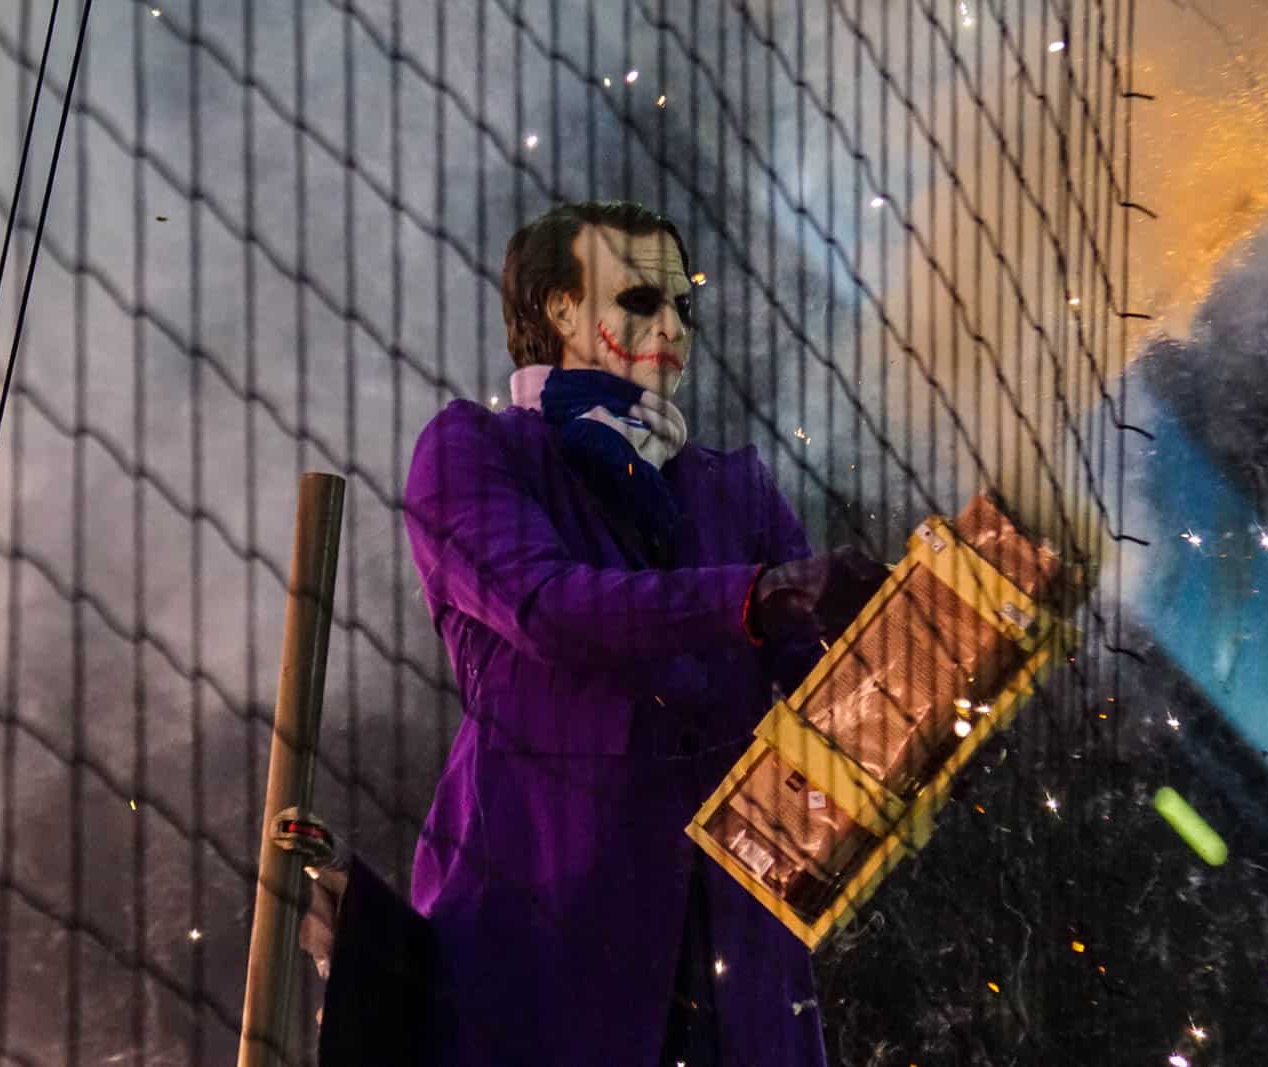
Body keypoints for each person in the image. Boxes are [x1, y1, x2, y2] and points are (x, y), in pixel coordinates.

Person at [306, 200, 887, 1065]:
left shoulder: (735, 487)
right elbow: (547, 605)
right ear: (559, 308)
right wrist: (755, 596)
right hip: (545, 945)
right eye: (641, 300)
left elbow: (830, 698)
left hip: (740, 967)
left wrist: (926, 651)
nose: (674, 327)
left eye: (684, 304)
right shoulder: (478, 450)